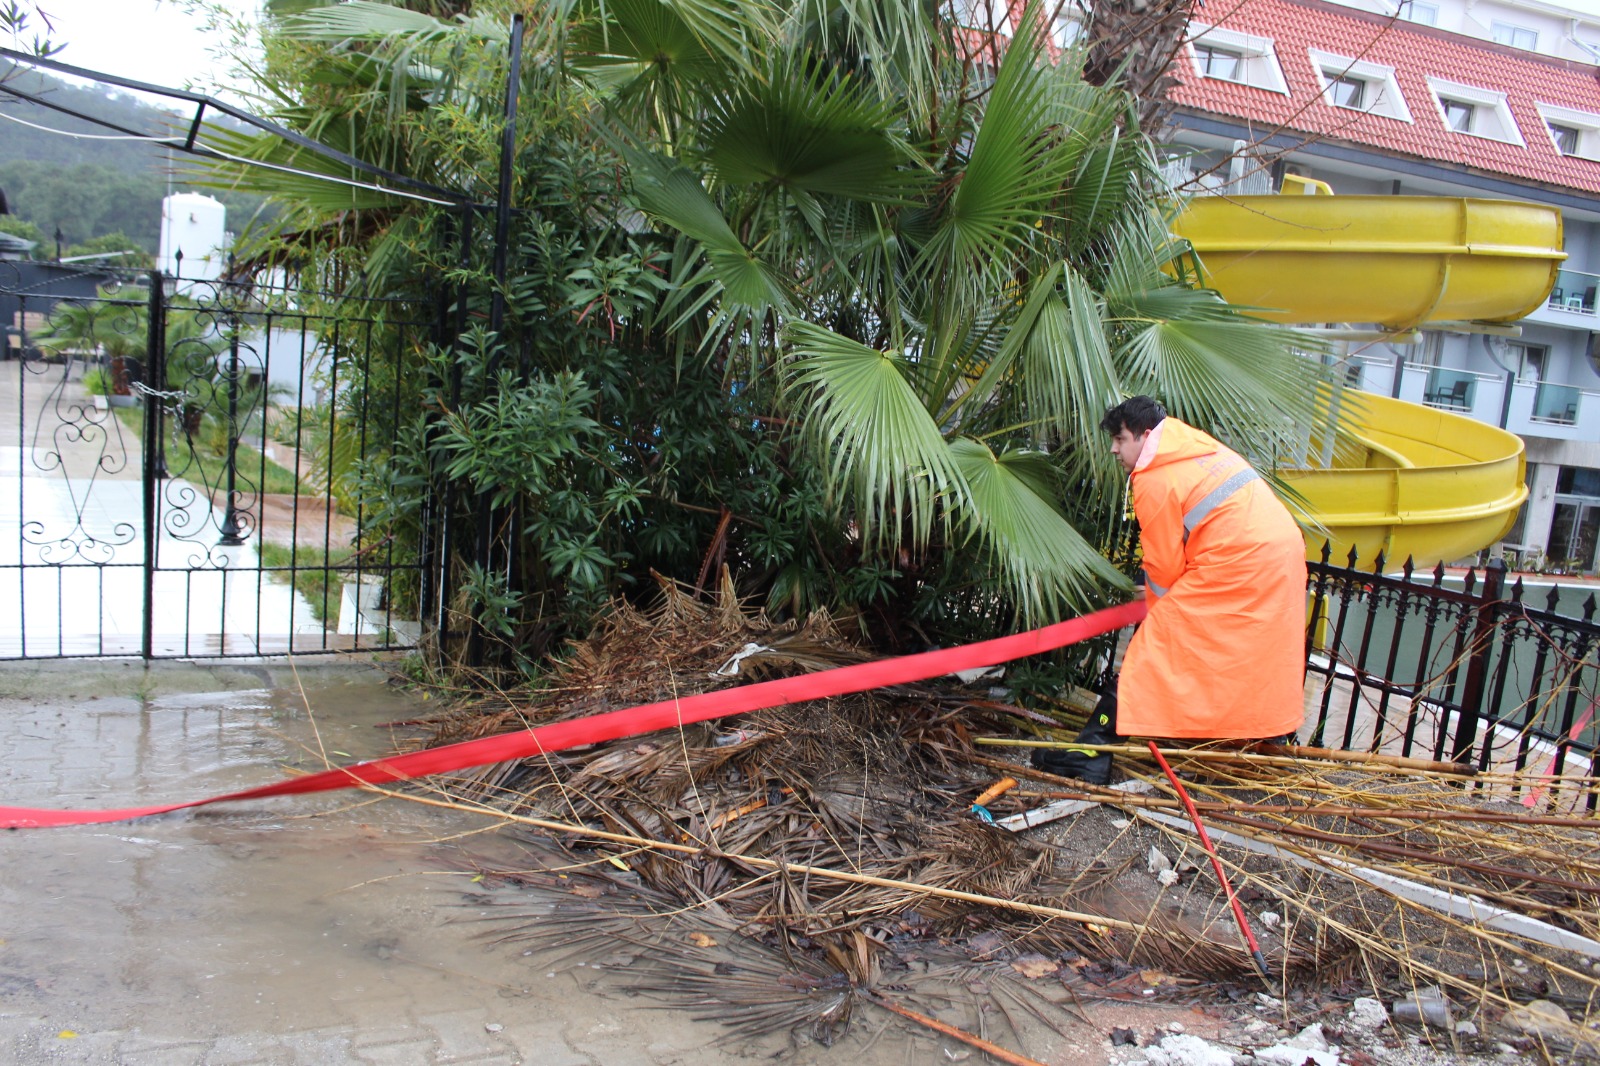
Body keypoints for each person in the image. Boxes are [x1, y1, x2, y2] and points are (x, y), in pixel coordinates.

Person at [1034, 396, 1306, 779]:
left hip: (1238, 560)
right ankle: (1271, 741)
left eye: (1121, 438)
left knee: (1152, 649)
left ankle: (1092, 751)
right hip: (1278, 553)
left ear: (1145, 436)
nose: (1114, 447)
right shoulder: (1195, 446)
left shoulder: (1154, 475)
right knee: (1251, 652)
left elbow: (1163, 566)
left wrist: (1156, 613)